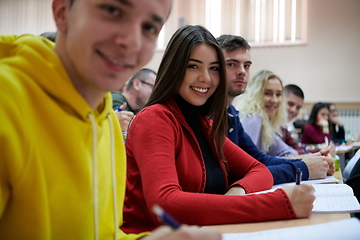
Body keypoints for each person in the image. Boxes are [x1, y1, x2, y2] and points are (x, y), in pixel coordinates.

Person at [0, 0, 222, 239]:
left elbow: (102, 233)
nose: (132, 42)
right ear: (62, 11)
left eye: (149, 27)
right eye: (112, 11)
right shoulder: (7, 103)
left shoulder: (106, 120)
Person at [121, 25, 315, 234]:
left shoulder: (205, 123)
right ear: (174, 68)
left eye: (214, 68)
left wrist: (238, 191)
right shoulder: (155, 118)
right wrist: (279, 204)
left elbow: (259, 169)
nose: (206, 78)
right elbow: (166, 203)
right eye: (193, 66)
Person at [217, 34, 334, 184]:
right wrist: (303, 167)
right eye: (232, 64)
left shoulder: (231, 114)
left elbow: (260, 159)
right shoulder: (249, 118)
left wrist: (311, 160)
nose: (242, 71)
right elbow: (244, 170)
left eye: (246, 65)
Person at [234, 70, 298, 157]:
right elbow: (248, 163)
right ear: (254, 94)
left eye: (278, 94)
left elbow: (290, 152)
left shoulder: (265, 124)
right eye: (268, 93)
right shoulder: (252, 118)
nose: (274, 100)